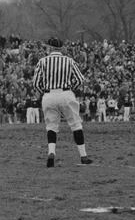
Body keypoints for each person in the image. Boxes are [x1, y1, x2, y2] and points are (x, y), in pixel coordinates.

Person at [31, 37, 93, 167]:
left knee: (51, 126)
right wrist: (71, 88)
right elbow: (80, 80)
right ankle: (83, 156)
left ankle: (51, 152)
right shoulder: (69, 61)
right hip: (65, 93)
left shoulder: (42, 62)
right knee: (76, 125)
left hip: (49, 95)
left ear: (49, 48)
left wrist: (44, 91)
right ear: (61, 48)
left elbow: (36, 83)